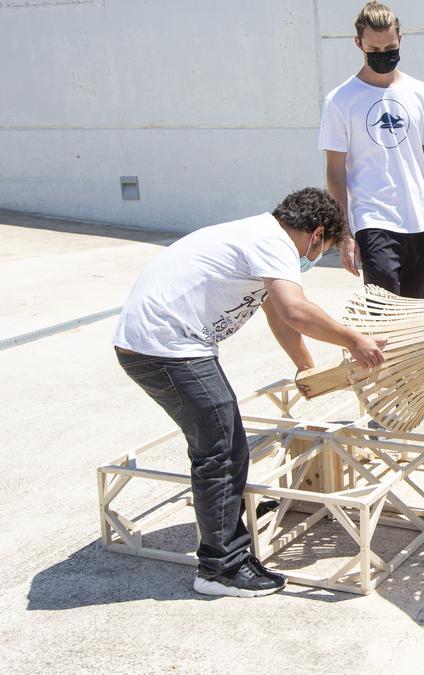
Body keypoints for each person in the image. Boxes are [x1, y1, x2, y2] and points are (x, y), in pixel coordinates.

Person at [113, 188, 387, 597]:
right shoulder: (273, 242)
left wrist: (306, 366)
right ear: (316, 235)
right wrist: (354, 341)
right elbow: (295, 310)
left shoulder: (260, 235)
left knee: (223, 442)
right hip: (165, 346)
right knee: (220, 449)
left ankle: (227, 546)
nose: (315, 259)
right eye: (325, 249)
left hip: (163, 344)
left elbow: (277, 312)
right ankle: (220, 568)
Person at [320, 1, 424, 299]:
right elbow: (335, 171)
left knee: (413, 316)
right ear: (359, 44)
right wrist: (345, 233)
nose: (384, 55)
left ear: (400, 39)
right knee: (384, 312)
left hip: (419, 220)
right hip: (373, 220)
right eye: (375, 50)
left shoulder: (423, 94)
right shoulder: (340, 101)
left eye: (390, 47)